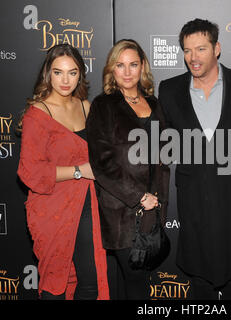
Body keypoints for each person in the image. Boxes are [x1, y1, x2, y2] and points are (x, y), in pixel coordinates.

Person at [158, 18, 231, 300]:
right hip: (194, 201)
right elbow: (162, 145)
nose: (193, 57)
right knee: (199, 283)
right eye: (187, 50)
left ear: (217, 49)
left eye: (200, 49)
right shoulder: (169, 90)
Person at [17, 44, 109, 300]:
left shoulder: (85, 107)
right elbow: (30, 172)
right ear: (48, 73)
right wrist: (80, 171)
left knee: (90, 280)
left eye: (72, 72)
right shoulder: (38, 113)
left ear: (81, 73)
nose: (65, 80)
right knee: (56, 281)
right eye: (58, 72)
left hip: (86, 204)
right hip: (51, 206)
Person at [86, 39, 170, 300]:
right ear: (112, 69)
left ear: (142, 66)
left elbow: (164, 154)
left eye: (133, 64)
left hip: (153, 208)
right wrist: (139, 196)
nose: (127, 72)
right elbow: (102, 163)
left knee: (142, 280)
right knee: (135, 281)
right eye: (120, 65)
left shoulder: (154, 105)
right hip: (122, 211)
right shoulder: (104, 105)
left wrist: (157, 200)